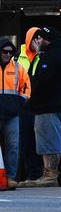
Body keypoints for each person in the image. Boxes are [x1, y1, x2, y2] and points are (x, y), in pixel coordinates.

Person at [24, 27, 61, 187]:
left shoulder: (49, 57)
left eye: (38, 39)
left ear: (44, 39)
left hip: (46, 107)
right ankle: (50, 174)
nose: (36, 42)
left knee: (48, 142)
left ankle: (49, 175)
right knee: (55, 141)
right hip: (59, 106)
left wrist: (32, 102)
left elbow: (41, 82)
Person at [0, 38, 31, 189]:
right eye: (4, 52)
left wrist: (19, 104)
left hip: (12, 114)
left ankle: (10, 177)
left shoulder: (19, 68)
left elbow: (26, 88)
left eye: (10, 52)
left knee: (13, 146)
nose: (7, 54)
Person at [17, 27, 43, 184]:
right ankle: (30, 173)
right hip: (24, 105)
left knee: (40, 140)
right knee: (26, 141)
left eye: (39, 38)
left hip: (39, 105)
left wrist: (40, 52)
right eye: (35, 38)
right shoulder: (18, 57)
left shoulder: (43, 55)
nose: (37, 41)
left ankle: (41, 173)